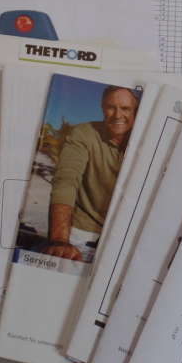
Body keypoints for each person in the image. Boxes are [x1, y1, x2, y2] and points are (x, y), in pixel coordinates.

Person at [40, 85, 140, 261]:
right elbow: (66, 179)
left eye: (125, 108)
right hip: (81, 235)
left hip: (127, 240)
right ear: (103, 109)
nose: (118, 115)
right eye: (111, 107)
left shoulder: (148, 140)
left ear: (135, 111)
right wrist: (59, 240)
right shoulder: (84, 133)